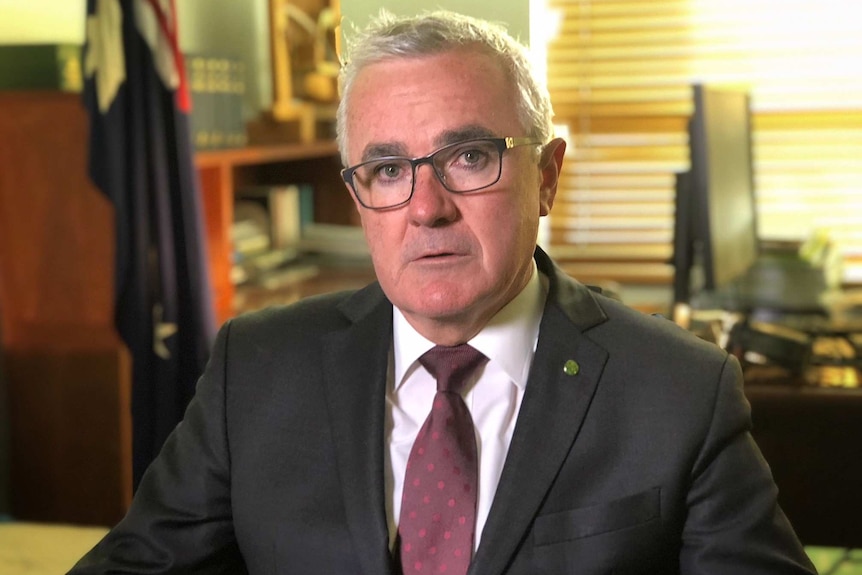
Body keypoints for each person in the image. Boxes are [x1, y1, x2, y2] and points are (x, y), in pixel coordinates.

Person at [69, 9, 817, 575]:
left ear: (547, 174)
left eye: (468, 156)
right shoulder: (257, 369)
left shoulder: (679, 391)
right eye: (388, 170)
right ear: (357, 195)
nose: (426, 208)